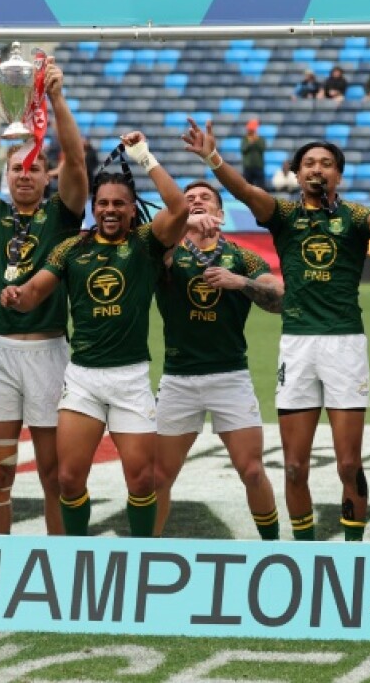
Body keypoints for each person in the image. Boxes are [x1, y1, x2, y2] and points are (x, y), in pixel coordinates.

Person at [183, 120, 370, 541]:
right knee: (294, 467)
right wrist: (212, 158)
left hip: (345, 345)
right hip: (296, 346)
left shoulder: (354, 217)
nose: (317, 169)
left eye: (327, 164)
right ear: (296, 173)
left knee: (348, 464)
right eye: (309, 162)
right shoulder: (284, 215)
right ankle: (304, 550)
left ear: (338, 175)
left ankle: (352, 550)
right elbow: (244, 191)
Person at [0, 132, 189, 537]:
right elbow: (35, 292)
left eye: (118, 203)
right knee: (68, 479)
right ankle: (75, 555)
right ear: (92, 207)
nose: (109, 209)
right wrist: (17, 296)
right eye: (102, 203)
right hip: (83, 378)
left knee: (140, 480)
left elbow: (180, 207)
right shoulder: (71, 248)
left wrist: (144, 157)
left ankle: (141, 555)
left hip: (130, 379)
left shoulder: (145, 242)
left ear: (131, 207)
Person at [0, 55, 87, 536]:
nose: (26, 174)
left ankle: (58, 566)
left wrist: (56, 97)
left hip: (50, 352)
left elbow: (76, 159)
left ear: (47, 176)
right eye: (17, 168)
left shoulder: (63, 215)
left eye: (35, 167)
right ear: (6, 176)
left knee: (56, 477)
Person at [152, 181, 285, 540]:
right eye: (188, 199)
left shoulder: (243, 256)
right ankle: (144, 551)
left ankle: (272, 547)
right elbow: (154, 240)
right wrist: (183, 224)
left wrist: (239, 282)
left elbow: (279, 298)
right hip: (179, 379)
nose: (195, 202)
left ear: (220, 215)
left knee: (253, 471)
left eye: (204, 199)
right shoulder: (167, 252)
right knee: (158, 478)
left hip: (230, 377)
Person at [240, 120, 266, 189]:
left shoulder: (260, 139)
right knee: (247, 186)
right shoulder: (245, 139)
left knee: (261, 186)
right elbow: (243, 150)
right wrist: (250, 143)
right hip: (248, 167)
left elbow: (262, 148)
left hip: (258, 166)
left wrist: (256, 141)